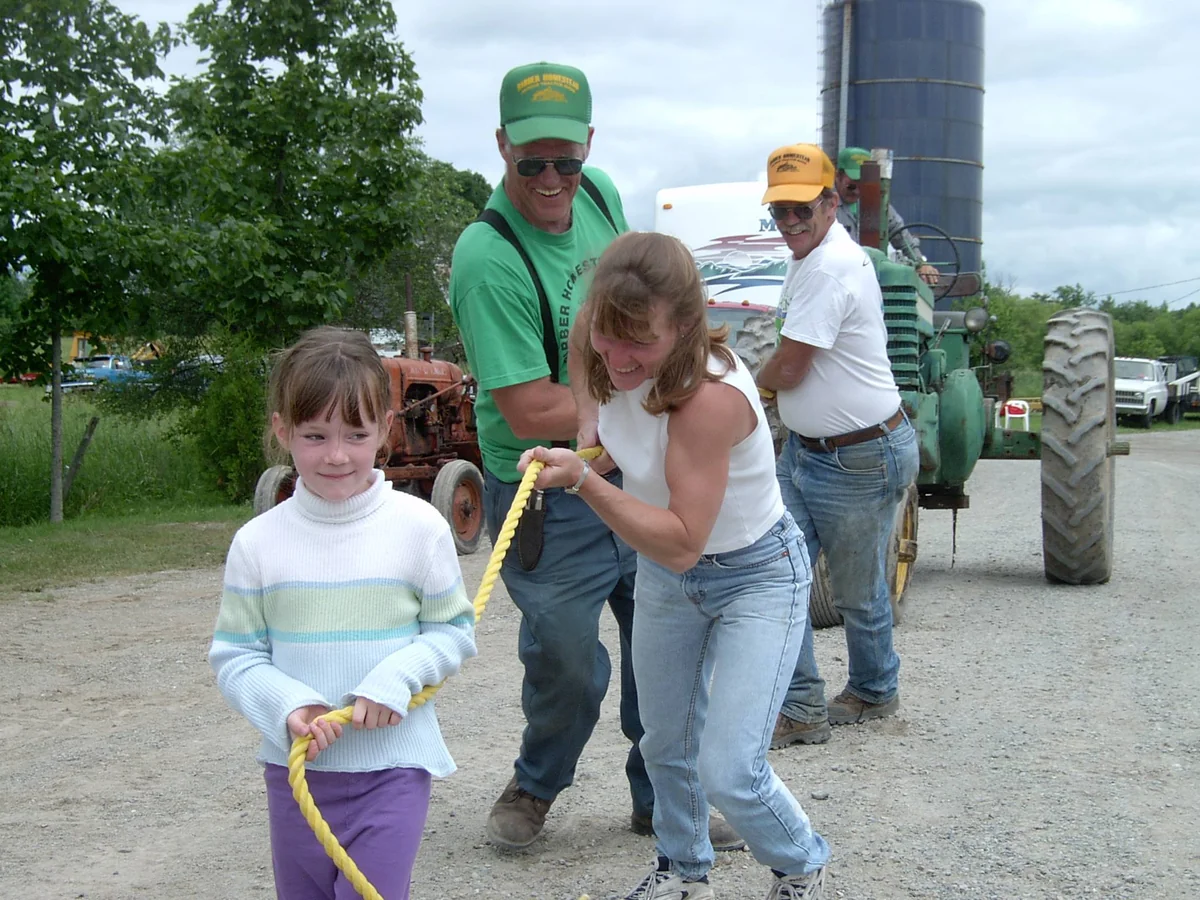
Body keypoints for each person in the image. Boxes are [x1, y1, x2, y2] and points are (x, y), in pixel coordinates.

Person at [448, 60, 744, 852]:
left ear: (589, 150)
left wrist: (631, 411)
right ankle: (535, 785)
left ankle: (664, 802)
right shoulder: (487, 258)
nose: (553, 179)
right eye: (532, 160)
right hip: (548, 484)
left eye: (567, 161)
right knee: (568, 662)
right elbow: (528, 406)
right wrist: (649, 395)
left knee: (666, 645)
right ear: (502, 145)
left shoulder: (602, 194)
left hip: (628, 460)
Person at [521, 231, 830, 900]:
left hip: (755, 573)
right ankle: (684, 872)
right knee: (665, 742)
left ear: (686, 325)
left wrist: (582, 480)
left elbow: (684, 538)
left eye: (639, 342)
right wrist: (589, 432)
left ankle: (800, 863)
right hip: (667, 576)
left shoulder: (709, 399)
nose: (619, 356)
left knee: (731, 768)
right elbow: (592, 361)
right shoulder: (600, 334)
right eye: (610, 334)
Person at [209, 327, 478, 900]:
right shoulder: (257, 543)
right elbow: (236, 657)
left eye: (355, 434)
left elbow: (453, 633)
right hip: (296, 775)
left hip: (394, 770)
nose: (336, 454)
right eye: (314, 435)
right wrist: (288, 707)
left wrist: (396, 680)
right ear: (283, 430)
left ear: (385, 429)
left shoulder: (419, 527)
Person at [754, 143, 920, 750]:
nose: (790, 222)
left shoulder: (828, 267)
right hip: (812, 451)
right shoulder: (814, 256)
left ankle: (875, 689)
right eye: (780, 212)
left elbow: (791, 368)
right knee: (781, 575)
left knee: (851, 589)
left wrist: (742, 386)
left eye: (802, 209)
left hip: (856, 455)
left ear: (830, 202)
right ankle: (804, 706)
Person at [833, 146, 940, 286]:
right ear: (838, 176)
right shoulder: (826, 206)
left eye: (862, 185)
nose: (857, 191)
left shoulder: (879, 205)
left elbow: (900, 234)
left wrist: (920, 263)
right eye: (852, 186)